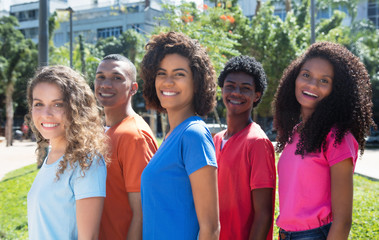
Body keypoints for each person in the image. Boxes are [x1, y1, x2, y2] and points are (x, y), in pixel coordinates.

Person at [273, 42, 376, 240]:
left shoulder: (337, 138)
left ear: (335, 90)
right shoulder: (295, 133)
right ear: (294, 77)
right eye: (306, 75)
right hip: (286, 234)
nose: (311, 85)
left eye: (324, 81)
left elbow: (343, 220)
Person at [140, 31, 220, 239]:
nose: (168, 82)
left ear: (197, 83)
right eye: (161, 73)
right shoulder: (171, 137)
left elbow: (210, 228)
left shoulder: (193, 135)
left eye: (179, 74)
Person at [26, 65, 108, 239]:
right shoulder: (52, 155)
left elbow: (89, 237)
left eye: (57, 104)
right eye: (39, 104)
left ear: (76, 108)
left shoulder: (87, 161)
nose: (46, 114)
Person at [95, 54, 158, 240]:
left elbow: (143, 212)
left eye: (117, 78)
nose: (106, 84)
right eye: (100, 77)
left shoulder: (133, 136)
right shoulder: (104, 130)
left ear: (133, 88)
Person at [213, 55, 276, 240]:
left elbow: (263, 214)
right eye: (230, 86)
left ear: (256, 95)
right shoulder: (216, 140)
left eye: (245, 88)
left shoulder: (257, 142)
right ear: (222, 89)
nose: (236, 92)